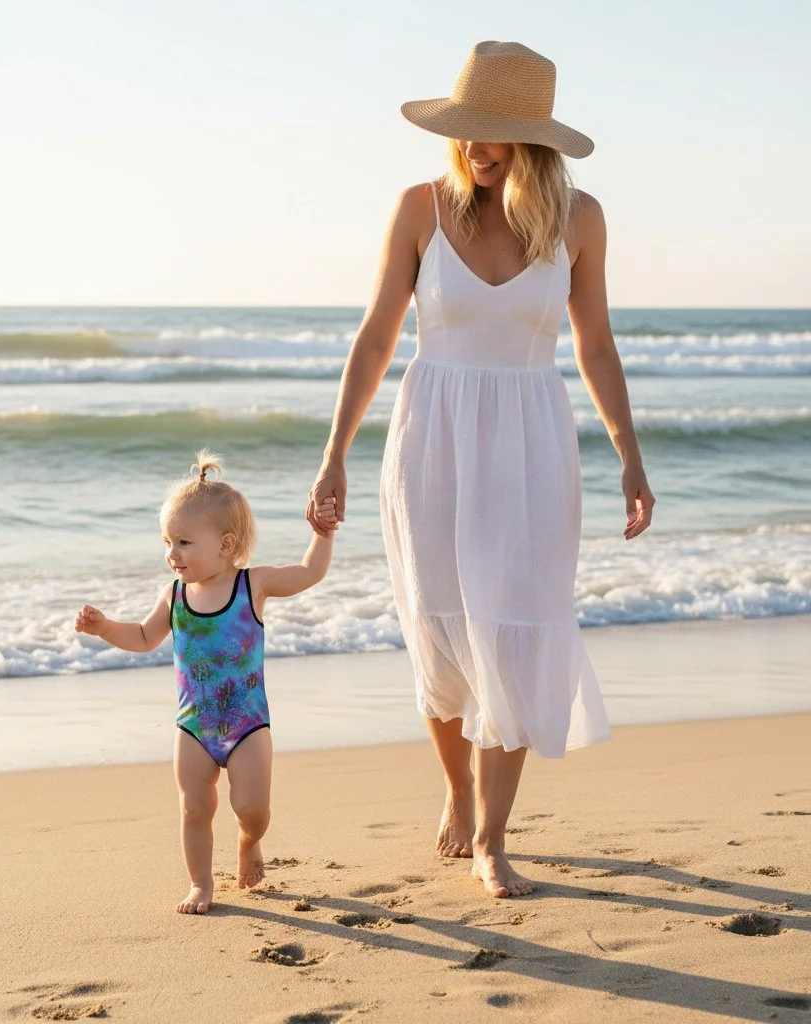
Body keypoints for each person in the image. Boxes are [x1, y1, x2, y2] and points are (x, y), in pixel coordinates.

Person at [307, 41, 654, 899]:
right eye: (468, 131)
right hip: (433, 437)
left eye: (497, 134)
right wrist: (335, 454)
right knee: (442, 630)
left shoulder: (580, 221)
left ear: (534, 140)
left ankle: (496, 837)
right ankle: (458, 790)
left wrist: (630, 455)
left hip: (534, 439)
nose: (478, 147)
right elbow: (378, 336)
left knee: (518, 627)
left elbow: (597, 344)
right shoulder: (421, 209)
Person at [76, 450, 336, 914]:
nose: (171, 554)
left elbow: (310, 572)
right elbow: (142, 636)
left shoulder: (251, 585)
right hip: (193, 725)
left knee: (252, 808)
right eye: (167, 542)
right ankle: (200, 883)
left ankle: (248, 841)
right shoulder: (174, 594)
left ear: (226, 543)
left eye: (182, 542)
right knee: (194, 807)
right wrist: (105, 627)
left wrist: (323, 533)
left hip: (247, 726)